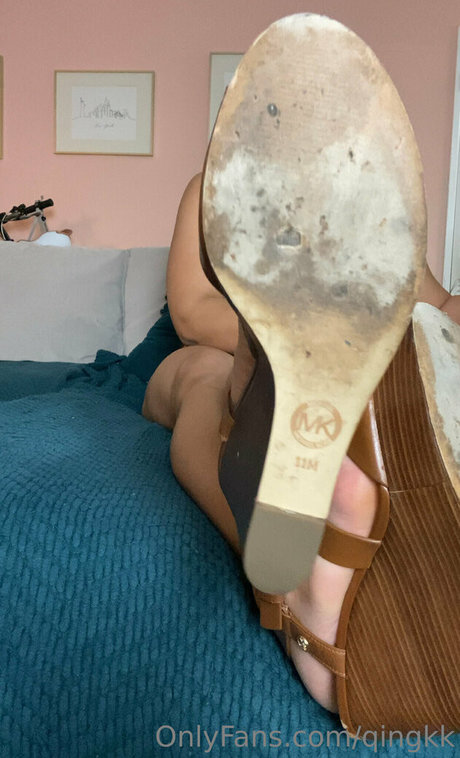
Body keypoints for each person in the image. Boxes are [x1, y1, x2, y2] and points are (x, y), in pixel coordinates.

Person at [143, 14, 459, 734]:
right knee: (199, 377)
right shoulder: (210, 191)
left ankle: (305, 595)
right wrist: (275, 343)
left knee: (387, 368)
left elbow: (433, 306)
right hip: (217, 351)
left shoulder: (368, 212)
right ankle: (260, 385)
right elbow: (190, 312)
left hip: (329, 379)